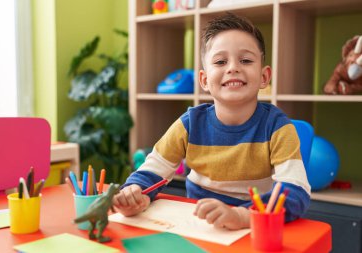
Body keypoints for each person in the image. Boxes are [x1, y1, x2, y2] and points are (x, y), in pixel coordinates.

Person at [113, 13, 311, 230]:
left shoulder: (278, 127)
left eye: (245, 60)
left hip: (251, 229)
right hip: (200, 228)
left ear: (264, 77)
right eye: (220, 61)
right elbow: (152, 171)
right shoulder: (189, 124)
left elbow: (296, 193)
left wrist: (243, 216)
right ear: (204, 80)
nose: (233, 67)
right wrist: (135, 194)